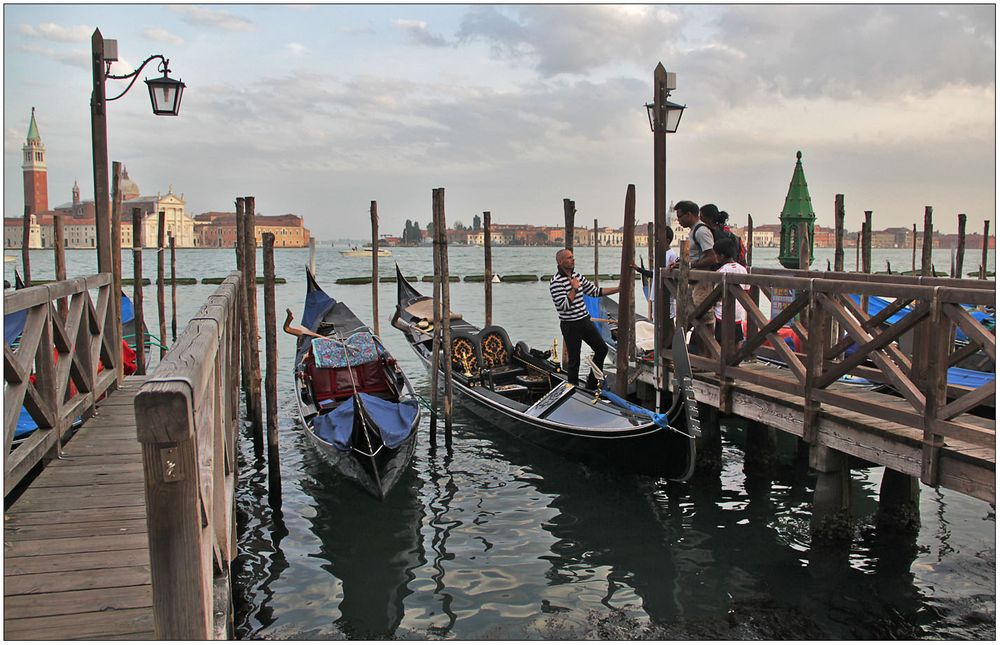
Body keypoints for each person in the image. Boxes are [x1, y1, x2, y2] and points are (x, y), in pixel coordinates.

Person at [549, 248, 619, 389]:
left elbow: (594, 291)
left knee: (602, 349)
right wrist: (574, 289)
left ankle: (591, 385)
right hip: (570, 325)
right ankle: (573, 390)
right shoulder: (555, 282)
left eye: (573, 257)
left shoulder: (577, 276)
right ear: (561, 261)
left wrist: (618, 289)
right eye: (569, 258)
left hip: (585, 321)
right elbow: (564, 306)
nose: (573, 260)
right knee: (574, 361)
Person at [672, 200, 717, 354]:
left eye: (680, 216)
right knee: (691, 318)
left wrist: (689, 266)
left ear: (689, 215)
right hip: (693, 282)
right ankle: (696, 355)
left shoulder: (701, 231)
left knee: (705, 319)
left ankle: (708, 357)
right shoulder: (693, 231)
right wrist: (681, 263)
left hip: (702, 283)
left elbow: (712, 257)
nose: (678, 220)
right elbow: (693, 255)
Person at [713, 237, 749, 345]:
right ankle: (735, 360)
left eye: (716, 254)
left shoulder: (721, 271)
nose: (715, 257)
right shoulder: (742, 269)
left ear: (722, 256)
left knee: (721, 339)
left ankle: (723, 360)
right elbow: (746, 290)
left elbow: (716, 295)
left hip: (722, 312)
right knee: (737, 338)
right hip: (738, 311)